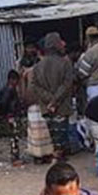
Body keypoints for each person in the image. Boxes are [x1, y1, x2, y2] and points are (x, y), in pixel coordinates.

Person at [30, 32, 75, 160]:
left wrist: (49, 100)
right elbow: (67, 85)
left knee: (52, 137)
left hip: (47, 108)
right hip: (61, 107)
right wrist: (55, 101)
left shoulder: (38, 67)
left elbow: (34, 86)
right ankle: (59, 160)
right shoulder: (65, 63)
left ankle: (55, 158)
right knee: (61, 138)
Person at [0, 69, 27, 165]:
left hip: (10, 115)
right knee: (14, 137)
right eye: (16, 81)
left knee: (14, 137)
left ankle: (15, 156)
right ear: (11, 80)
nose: (17, 83)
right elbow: (4, 104)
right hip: (11, 115)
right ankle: (15, 158)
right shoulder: (9, 89)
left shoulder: (7, 89)